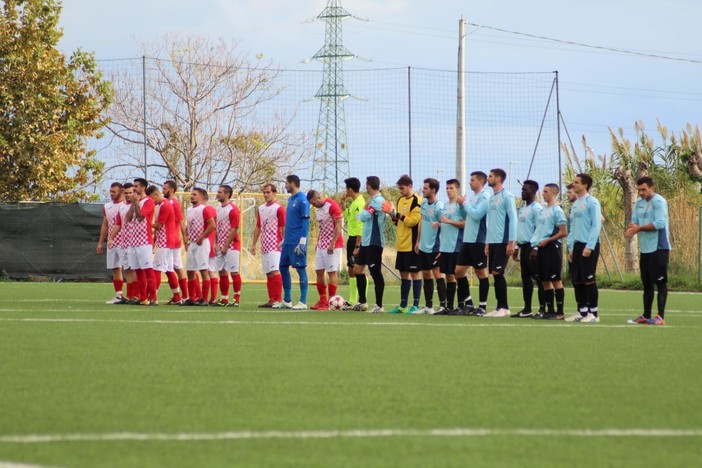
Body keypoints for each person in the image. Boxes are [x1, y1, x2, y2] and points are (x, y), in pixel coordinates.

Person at [625, 176, 670, 325]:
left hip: (659, 248)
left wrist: (639, 228)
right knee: (647, 284)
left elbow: (660, 223)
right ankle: (646, 314)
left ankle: (660, 316)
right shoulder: (639, 203)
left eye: (644, 189)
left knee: (661, 283)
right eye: (639, 190)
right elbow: (635, 221)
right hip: (645, 249)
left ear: (652, 187)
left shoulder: (659, 202)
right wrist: (633, 228)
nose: (641, 193)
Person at [383, 174, 423, 314]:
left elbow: (413, 221)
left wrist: (397, 214)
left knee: (415, 274)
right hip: (401, 244)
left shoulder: (417, 201)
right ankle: (402, 306)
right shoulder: (400, 200)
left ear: (410, 186)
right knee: (404, 275)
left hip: (413, 244)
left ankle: (416, 306)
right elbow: (398, 221)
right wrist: (391, 215)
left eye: (402, 188)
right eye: (399, 189)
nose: (400, 191)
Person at [454, 171, 491, 316]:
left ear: (481, 182)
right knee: (458, 272)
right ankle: (469, 303)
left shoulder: (485, 197)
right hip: (467, 240)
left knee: (481, 273)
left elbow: (476, 215)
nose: (470, 182)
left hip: (478, 240)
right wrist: (462, 206)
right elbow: (467, 216)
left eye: (473, 180)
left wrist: (465, 203)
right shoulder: (473, 197)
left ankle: (482, 307)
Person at [568, 173, 602, 323]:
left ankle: (593, 314)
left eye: (576, 182)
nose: (573, 184)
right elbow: (573, 227)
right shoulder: (575, 203)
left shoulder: (592, 202)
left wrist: (590, 246)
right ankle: (582, 312)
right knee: (578, 280)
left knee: (588, 279)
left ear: (585, 185)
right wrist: (571, 248)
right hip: (576, 246)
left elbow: (596, 225)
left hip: (588, 244)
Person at [530, 183, 568, 319]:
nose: (543, 194)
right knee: (545, 281)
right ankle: (549, 311)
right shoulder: (542, 210)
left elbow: (563, 232)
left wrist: (548, 240)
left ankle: (560, 312)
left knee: (555, 280)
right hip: (540, 248)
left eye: (546, 191)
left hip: (552, 248)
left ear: (553, 193)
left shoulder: (557, 211)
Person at [483, 168, 517, 318]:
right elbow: (490, 221)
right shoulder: (491, 197)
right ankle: (499, 307)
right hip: (493, 242)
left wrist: (512, 241)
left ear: (498, 179)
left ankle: (504, 307)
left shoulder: (507, 196)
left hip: (504, 241)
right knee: (495, 274)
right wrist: (487, 243)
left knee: (498, 272)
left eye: (490, 176)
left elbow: (513, 219)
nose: (488, 178)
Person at [352, 176, 386, 313]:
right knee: (357, 270)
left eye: (366, 185)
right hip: (366, 242)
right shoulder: (372, 201)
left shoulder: (378, 201)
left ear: (369, 186)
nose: (365, 187)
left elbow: (363, 217)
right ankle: (362, 302)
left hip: (374, 242)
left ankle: (379, 305)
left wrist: (366, 207)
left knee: (375, 272)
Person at [511, 180, 545, 318]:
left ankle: (543, 308)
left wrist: (536, 247)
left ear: (533, 192)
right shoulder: (523, 208)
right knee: (526, 279)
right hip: (523, 246)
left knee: (538, 278)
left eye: (525, 190)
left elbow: (540, 229)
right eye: (522, 189)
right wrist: (517, 246)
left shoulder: (537, 209)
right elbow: (521, 229)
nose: (522, 192)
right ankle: (527, 308)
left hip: (533, 247)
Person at [307, 190, 344, 310]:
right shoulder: (317, 209)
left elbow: (338, 226)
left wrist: (332, 243)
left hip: (333, 244)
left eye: (314, 202)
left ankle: (331, 301)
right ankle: (322, 300)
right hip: (321, 244)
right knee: (318, 271)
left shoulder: (332, 206)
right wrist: (318, 243)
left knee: (331, 272)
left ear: (318, 197)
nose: (314, 205)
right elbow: (322, 228)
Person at [278, 175, 310, 310]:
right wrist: (285, 238)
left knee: (300, 268)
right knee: (283, 267)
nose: (285, 186)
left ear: (292, 183)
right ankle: (287, 300)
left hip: (298, 241)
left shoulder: (303, 200)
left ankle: (303, 301)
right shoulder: (291, 199)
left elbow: (305, 221)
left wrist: (303, 241)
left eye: (286, 183)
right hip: (288, 241)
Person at [433, 179, 465, 314]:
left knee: (457, 276)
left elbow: (464, 223)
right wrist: (440, 224)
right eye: (447, 188)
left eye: (451, 188)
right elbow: (446, 223)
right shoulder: (445, 205)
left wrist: (447, 221)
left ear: (457, 189)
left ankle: (461, 305)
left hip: (455, 246)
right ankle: (449, 306)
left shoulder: (460, 206)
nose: (448, 190)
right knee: (448, 276)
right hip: (445, 247)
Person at [250, 184, 285, 308]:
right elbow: (258, 226)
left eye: (268, 192)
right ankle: (271, 299)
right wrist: (254, 244)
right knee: (268, 272)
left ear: (274, 193)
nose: (265, 195)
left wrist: (284, 242)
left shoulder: (278, 208)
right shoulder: (261, 208)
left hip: (275, 245)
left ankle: (278, 299)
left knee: (275, 271)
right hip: (264, 244)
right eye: (264, 192)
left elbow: (283, 226)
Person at [416, 178, 447, 314]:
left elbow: (446, 225)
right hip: (423, 246)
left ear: (433, 190)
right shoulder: (423, 204)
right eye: (423, 188)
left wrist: (442, 247)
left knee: (437, 274)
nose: (423, 190)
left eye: (426, 188)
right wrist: (418, 241)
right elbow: (422, 223)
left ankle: (443, 305)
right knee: (426, 274)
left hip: (435, 247)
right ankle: (428, 306)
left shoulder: (439, 206)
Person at [127, 178, 158, 305]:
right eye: (133, 186)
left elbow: (141, 218)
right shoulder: (135, 202)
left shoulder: (149, 201)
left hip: (144, 240)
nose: (134, 189)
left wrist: (135, 204)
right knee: (138, 271)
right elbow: (128, 219)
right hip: (134, 241)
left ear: (143, 188)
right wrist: (133, 204)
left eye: (136, 186)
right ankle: (143, 297)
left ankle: (154, 298)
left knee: (148, 270)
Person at [183, 187, 216, 306]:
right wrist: (186, 234)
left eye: (195, 194)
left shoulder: (205, 209)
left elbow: (212, 225)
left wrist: (202, 237)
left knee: (203, 270)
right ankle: (192, 298)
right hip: (192, 243)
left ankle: (204, 299)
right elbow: (189, 224)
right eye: (191, 194)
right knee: (190, 271)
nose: (192, 196)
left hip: (202, 243)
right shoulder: (190, 209)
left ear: (201, 197)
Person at [108, 182, 139, 304]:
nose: (128, 195)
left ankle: (137, 295)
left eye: (130, 193)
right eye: (126, 193)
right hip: (124, 243)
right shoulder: (122, 207)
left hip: (137, 242)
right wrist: (111, 238)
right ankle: (131, 296)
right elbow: (118, 224)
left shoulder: (139, 205)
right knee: (127, 270)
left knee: (134, 269)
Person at [97, 182, 127, 304]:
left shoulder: (126, 205)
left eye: (114, 191)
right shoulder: (107, 206)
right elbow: (105, 224)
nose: (111, 194)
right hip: (112, 242)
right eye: (110, 191)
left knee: (129, 269)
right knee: (115, 268)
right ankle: (119, 295)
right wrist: (100, 243)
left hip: (125, 241)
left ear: (121, 191)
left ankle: (133, 295)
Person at [146, 185, 176, 304]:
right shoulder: (162, 205)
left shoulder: (165, 205)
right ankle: (177, 296)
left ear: (156, 195)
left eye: (152, 199)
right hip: (166, 241)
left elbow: (159, 226)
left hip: (166, 242)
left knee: (157, 269)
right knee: (169, 269)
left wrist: (146, 222)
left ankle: (153, 297)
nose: (151, 202)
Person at [214, 185, 242, 307]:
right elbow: (216, 228)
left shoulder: (233, 209)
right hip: (220, 245)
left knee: (234, 272)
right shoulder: (218, 209)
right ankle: (224, 298)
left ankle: (236, 298)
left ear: (227, 194)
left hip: (232, 246)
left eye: (220, 192)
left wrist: (226, 245)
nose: (217, 194)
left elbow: (234, 228)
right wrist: (216, 243)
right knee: (222, 271)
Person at [162, 180, 188, 304]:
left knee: (170, 268)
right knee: (176, 267)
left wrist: (185, 239)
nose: (163, 191)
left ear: (171, 190)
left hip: (172, 241)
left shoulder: (173, 203)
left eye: (165, 188)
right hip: (171, 240)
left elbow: (181, 221)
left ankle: (179, 296)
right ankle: (183, 296)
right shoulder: (167, 202)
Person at [341, 177, 365, 306]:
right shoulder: (354, 203)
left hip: (356, 239)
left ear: (350, 189)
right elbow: (346, 216)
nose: (346, 191)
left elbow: (361, 225)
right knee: (351, 270)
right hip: (351, 239)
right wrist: (342, 203)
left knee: (358, 269)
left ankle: (360, 299)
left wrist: (357, 245)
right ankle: (353, 300)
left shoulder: (359, 203)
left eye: (346, 188)